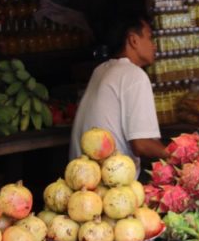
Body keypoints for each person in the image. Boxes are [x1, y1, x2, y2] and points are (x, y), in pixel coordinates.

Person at [70, 14, 168, 176]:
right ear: (133, 40)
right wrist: (181, 157)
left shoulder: (101, 70)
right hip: (108, 185)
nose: (154, 46)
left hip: (80, 176)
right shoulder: (134, 75)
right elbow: (141, 144)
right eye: (150, 38)